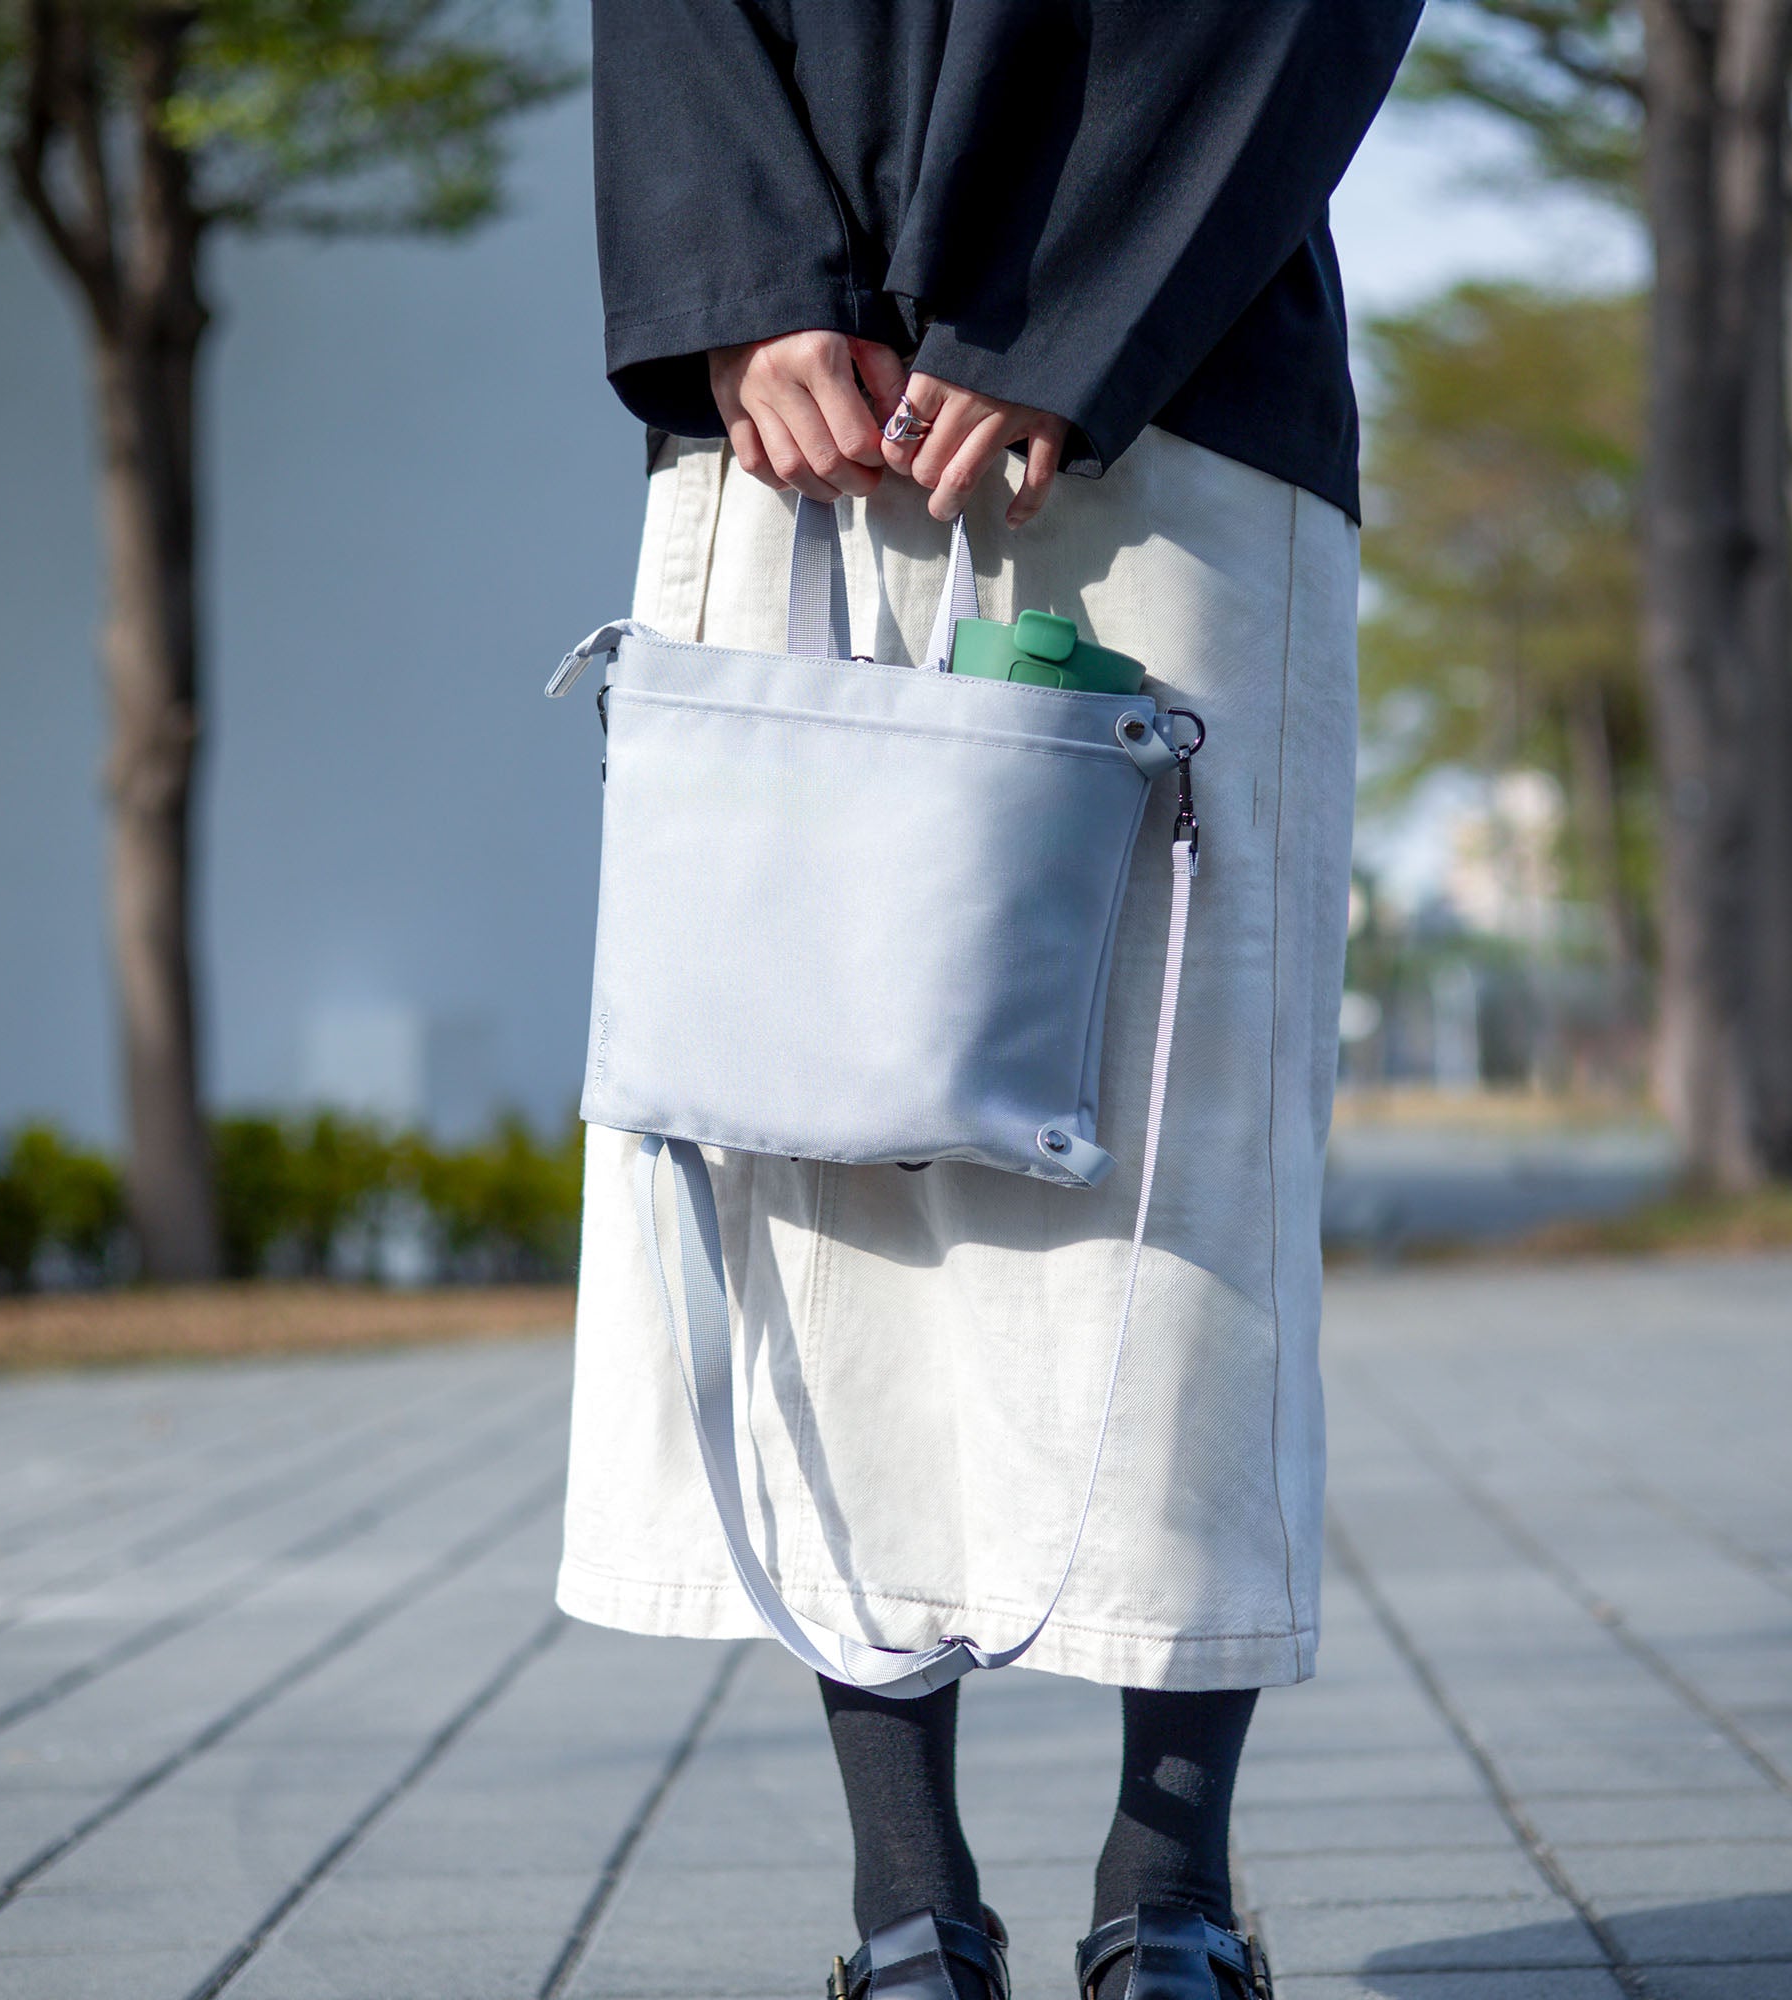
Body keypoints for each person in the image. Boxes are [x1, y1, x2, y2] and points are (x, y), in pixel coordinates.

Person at [560, 6, 1422, 1997]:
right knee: (798, 1118)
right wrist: (742, 290)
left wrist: (1070, 311)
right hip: (796, 401)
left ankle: (1151, 1890)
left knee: (1174, 1166)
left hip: (1156, 374)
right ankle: (934, 1906)